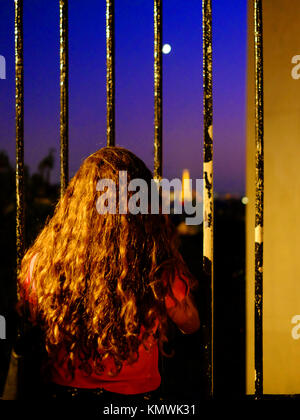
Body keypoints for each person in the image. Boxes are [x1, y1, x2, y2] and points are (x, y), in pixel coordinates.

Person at [17, 146, 200, 401]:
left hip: (60, 390)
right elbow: (190, 324)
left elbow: (32, 319)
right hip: (134, 397)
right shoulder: (158, 265)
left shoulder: (43, 263)